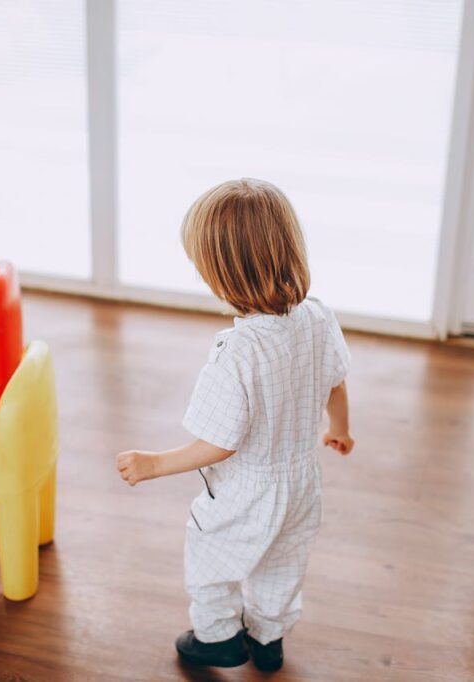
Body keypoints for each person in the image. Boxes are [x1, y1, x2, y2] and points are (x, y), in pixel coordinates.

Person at [116, 178, 353, 671]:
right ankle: (268, 639)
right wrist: (340, 429)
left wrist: (155, 463)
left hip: (248, 489)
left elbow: (219, 442)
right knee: (282, 561)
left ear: (221, 278)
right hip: (302, 481)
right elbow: (336, 382)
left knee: (211, 559)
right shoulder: (318, 317)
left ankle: (219, 636)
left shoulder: (237, 350)